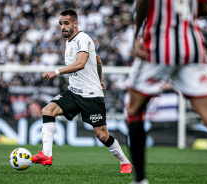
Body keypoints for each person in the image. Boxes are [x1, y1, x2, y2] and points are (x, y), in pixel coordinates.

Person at [126, 0, 207, 183]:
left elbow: (141, 3)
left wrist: (137, 35)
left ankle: (140, 180)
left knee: (134, 111)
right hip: (192, 49)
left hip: (158, 49)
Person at [32, 9, 133, 174]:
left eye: (66, 23)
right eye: (60, 24)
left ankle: (125, 162)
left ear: (75, 23)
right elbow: (98, 60)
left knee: (102, 135)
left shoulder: (83, 38)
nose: (63, 27)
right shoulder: (69, 42)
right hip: (73, 92)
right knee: (47, 110)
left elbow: (80, 63)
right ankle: (46, 155)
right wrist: (99, 78)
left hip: (91, 96)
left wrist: (56, 72)